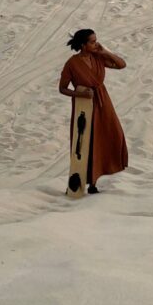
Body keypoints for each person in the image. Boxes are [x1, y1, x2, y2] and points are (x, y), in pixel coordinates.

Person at [59, 29, 128, 194]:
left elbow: (121, 64)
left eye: (96, 41)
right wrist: (80, 93)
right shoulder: (72, 63)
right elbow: (62, 88)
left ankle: (96, 179)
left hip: (103, 102)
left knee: (111, 135)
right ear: (83, 45)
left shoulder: (98, 57)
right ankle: (89, 183)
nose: (95, 44)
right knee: (86, 141)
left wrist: (104, 51)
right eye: (92, 42)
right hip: (84, 106)